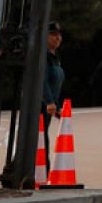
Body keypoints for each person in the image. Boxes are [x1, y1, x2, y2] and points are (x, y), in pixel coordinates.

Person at [42, 22, 65, 170]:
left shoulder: (53, 57)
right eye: (53, 34)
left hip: (48, 105)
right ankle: (42, 170)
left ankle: (40, 170)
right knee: (40, 137)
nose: (57, 38)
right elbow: (42, 81)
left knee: (40, 136)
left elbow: (53, 84)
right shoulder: (42, 56)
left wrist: (56, 105)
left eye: (59, 35)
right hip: (40, 103)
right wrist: (49, 101)